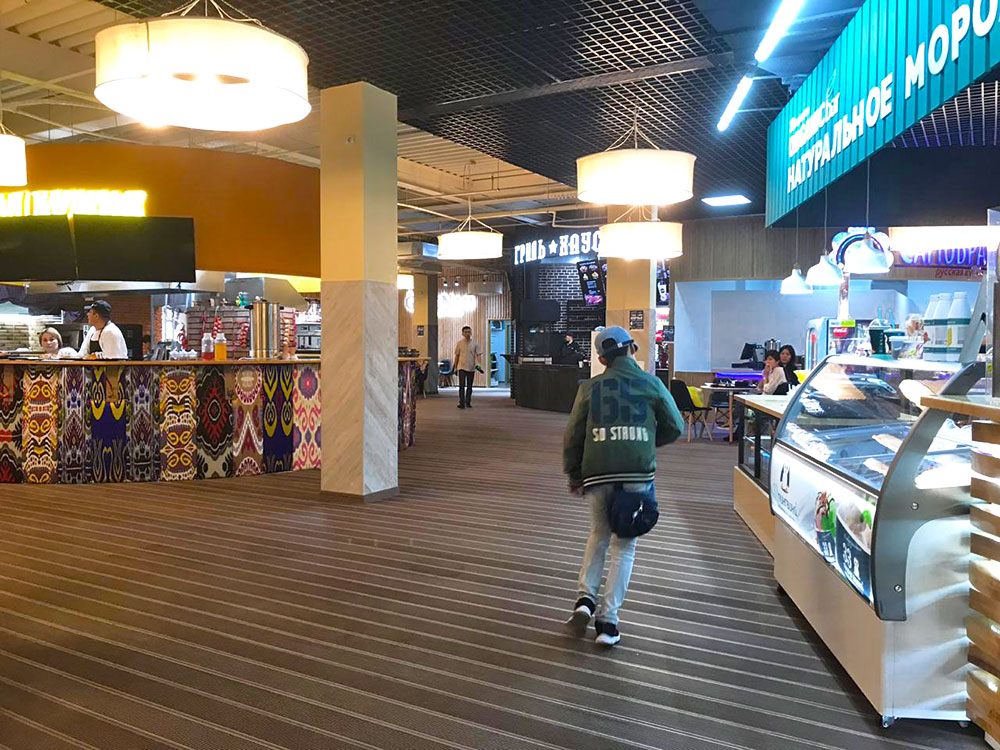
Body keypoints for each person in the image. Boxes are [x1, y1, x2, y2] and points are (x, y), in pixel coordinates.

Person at [562, 326, 685, 646]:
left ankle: (584, 600)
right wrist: (645, 443)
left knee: (598, 534)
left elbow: (573, 435)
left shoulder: (590, 388)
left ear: (602, 359)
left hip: (597, 472)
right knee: (624, 547)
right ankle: (608, 623)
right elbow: (676, 426)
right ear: (632, 349)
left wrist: (574, 474)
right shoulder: (651, 383)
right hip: (636, 475)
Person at [453, 325, 481, 409]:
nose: (467, 334)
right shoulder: (459, 343)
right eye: (465, 332)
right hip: (461, 366)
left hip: (471, 367)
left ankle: (468, 402)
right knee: (461, 385)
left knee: (469, 386)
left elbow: (478, 355)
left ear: (471, 333)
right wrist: (455, 367)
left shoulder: (475, 343)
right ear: (462, 333)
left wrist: (479, 364)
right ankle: (461, 403)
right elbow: (457, 356)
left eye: (469, 332)